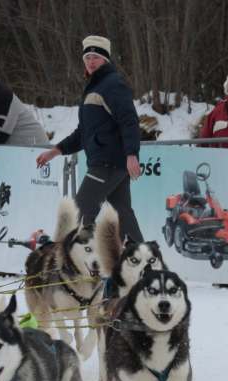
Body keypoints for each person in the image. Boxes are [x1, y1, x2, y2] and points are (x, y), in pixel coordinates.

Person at [36, 36, 144, 242]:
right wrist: (55, 150)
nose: (91, 61)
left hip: (108, 162)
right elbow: (83, 133)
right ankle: (147, 264)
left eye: (95, 57)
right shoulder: (94, 88)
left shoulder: (113, 84)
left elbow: (129, 121)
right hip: (108, 162)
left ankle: (78, 264)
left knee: (79, 210)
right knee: (123, 215)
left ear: (105, 59)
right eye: (87, 57)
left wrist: (132, 154)